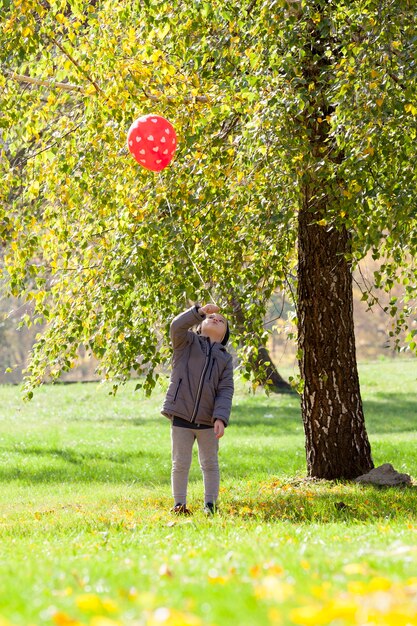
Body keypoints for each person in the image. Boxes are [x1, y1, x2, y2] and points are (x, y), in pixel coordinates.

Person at [161, 303, 234, 515]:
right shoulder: (186, 342)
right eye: (211, 317)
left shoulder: (225, 359)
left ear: (224, 335)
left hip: (208, 421)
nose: (216, 319)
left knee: (210, 464)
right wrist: (199, 311)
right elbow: (176, 326)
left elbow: (225, 390)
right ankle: (179, 504)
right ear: (200, 326)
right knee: (180, 463)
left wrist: (220, 417)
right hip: (181, 416)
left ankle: (210, 505)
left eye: (221, 321)